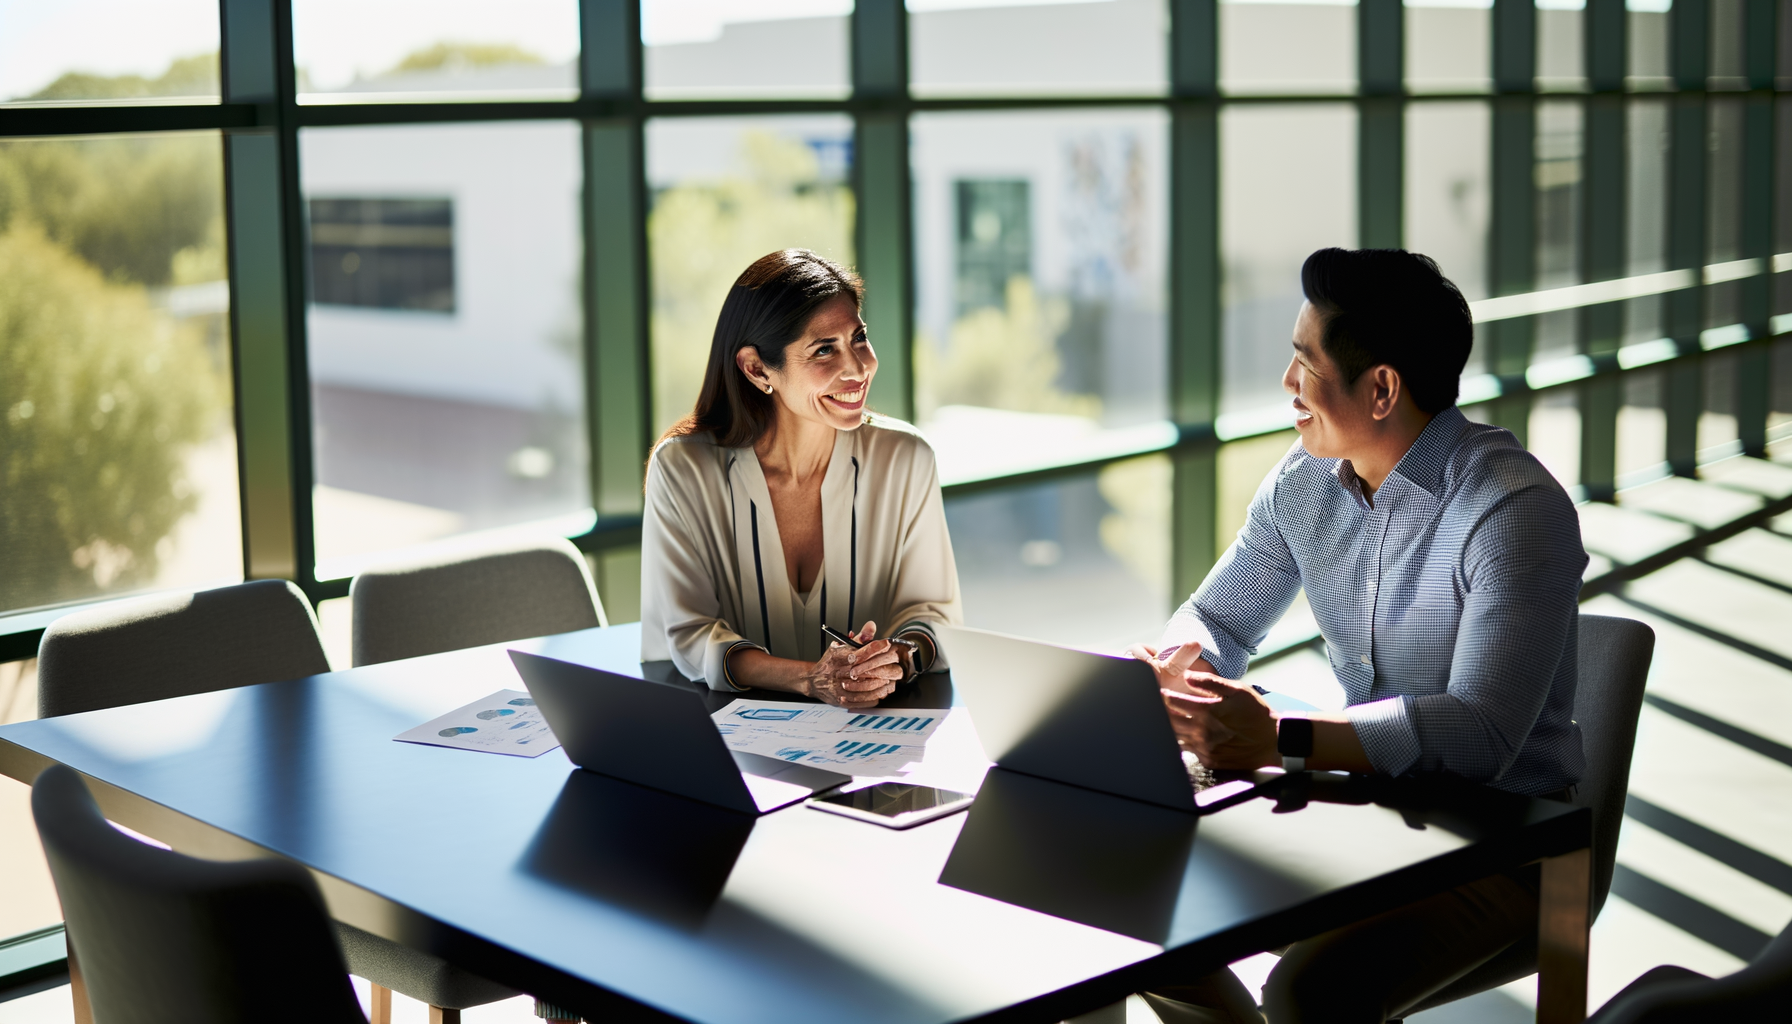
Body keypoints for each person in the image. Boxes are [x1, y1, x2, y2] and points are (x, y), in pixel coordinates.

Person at [1129, 248, 1587, 1024]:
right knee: (1132, 914)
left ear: (1382, 388)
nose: (1286, 384)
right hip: (1363, 807)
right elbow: (1220, 616)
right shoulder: (1305, 482)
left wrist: (1280, 735)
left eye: (1304, 363)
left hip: (1509, 845)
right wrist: (1187, 670)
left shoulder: (1513, 510)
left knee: (1314, 993)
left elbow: (1480, 735)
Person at [641, 249, 962, 708]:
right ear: (756, 368)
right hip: (726, 739)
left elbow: (934, 615)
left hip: (874, 737)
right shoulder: (682, 469)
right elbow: (690, 633)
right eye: (824, 349)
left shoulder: (906, 458)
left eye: (859, 338)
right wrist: (812, 678)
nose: (858, 368)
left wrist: (897, 657)